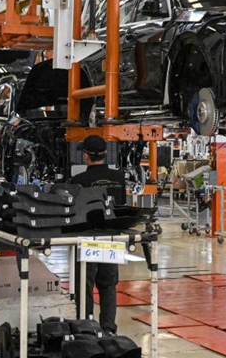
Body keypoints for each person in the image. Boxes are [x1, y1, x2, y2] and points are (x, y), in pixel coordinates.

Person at [70, 134, 126, 334]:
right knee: (108, 285)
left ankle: (86, 327)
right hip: (112, 237)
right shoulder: (119, 178)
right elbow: (121, 207)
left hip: (87, 239)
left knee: (84, 284)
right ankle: (109, 329)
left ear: (86, 155)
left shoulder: (78, 181)